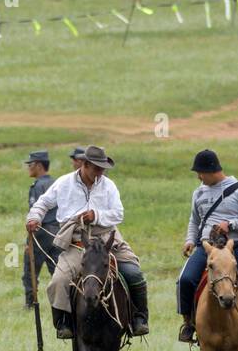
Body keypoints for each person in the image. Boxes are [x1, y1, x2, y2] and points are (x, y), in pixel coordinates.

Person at [27, 144, 150, 339]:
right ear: (84, 165)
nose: (101, 172)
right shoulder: (63, 183)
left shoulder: (108, 185)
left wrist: (97, 215)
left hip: (106, 240)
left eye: (102, 168)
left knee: (133, 273)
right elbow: (43, 203)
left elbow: (118, 213)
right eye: (97, 168)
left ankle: (139, 318)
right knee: (59, 281)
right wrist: (34, 218)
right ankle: (64, 323)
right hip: (77, 242)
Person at [176, 150, 238, 344]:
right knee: (185, 279)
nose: (198, 177)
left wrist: (231, 224)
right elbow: (195, 220)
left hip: (237, 245)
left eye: (199, 173)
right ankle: (188, 322)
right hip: (208, 247)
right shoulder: (198, 192)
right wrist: (190, 240)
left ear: (210, 170)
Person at [21, 151, 58, 309]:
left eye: (31, 164)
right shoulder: (56, 183)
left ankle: (30, 302)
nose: (29, 167)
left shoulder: (38, 186)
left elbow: (35, 214)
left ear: (39, 165)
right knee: (57, 269)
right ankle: (63, 300)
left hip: (41, 231)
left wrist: (28, 240)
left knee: (31, 269)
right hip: (57, 231)